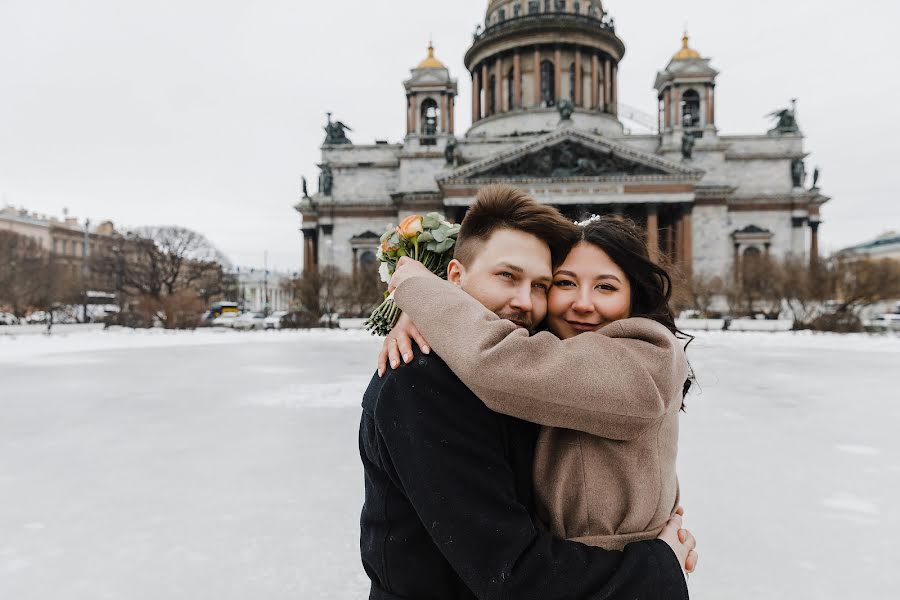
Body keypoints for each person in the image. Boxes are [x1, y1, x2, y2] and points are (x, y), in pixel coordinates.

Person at [359, 185, 695, 600]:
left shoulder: (591, 361)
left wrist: (424, 297)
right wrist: (658, 566)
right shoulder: (423, 383)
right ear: (454, 277)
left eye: (540, 285)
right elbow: (514, 574)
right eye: (508, 276)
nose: (525, 301)